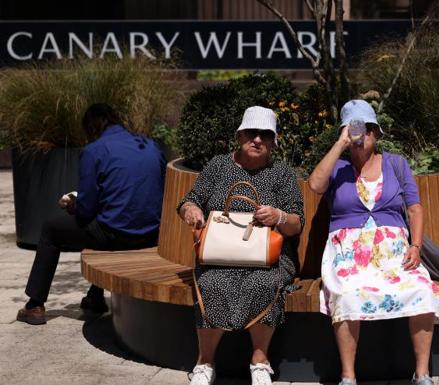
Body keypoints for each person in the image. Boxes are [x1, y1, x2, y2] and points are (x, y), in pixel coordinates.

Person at [308, 100, 439, 385]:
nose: (362, 135)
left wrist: (415, 246)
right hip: (347, 255)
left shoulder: (396, 163)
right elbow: (315, 186)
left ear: (377, 133)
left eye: (368, 129)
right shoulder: (338, 167)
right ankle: (348, 376)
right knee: (345, 294)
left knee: (422, 289)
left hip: (393, 253)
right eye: (355, 129)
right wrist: (340, 144)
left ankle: (422, 374)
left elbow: (415, 208)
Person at [178, 106, 304, 385]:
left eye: (265, 135)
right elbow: (190, 199)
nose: (257, 139)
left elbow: (297, 224)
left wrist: (279, 216)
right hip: (219, 255)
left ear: (273, 141)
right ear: (239, 135)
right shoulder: (218, 166)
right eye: (251, 133)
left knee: (263, 283)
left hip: (268, 257)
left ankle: (260, 361)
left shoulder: (281, 172)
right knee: (211, 283)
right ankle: (204, 362)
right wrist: (191, 211)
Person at [16, 103, 166, 325]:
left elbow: (86, 210)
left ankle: (35, 304)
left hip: (117, 236)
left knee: (52, 229)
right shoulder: (150, 146)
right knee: (110, 218)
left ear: (91, 128)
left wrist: (72, 205)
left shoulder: (94, 151)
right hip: (151, 234)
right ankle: (95, 296)